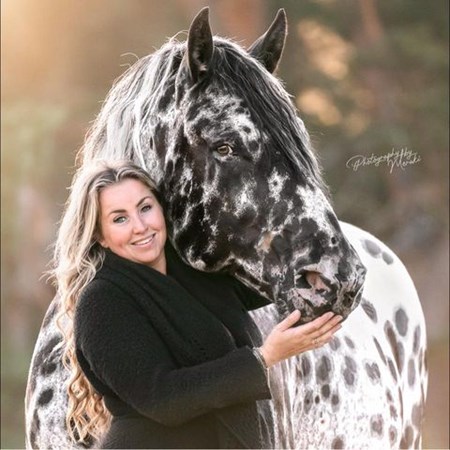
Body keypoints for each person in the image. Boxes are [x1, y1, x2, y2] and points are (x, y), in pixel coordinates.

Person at [52, 160, 343, 449]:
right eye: (119, 219)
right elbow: (163, 398)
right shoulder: (102, 301)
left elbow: (266, 282)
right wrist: (264, 357)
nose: (140, 226)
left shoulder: (195, 270)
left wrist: (310, 269)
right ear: (100, 236)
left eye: (145, 208)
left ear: (161, 208)